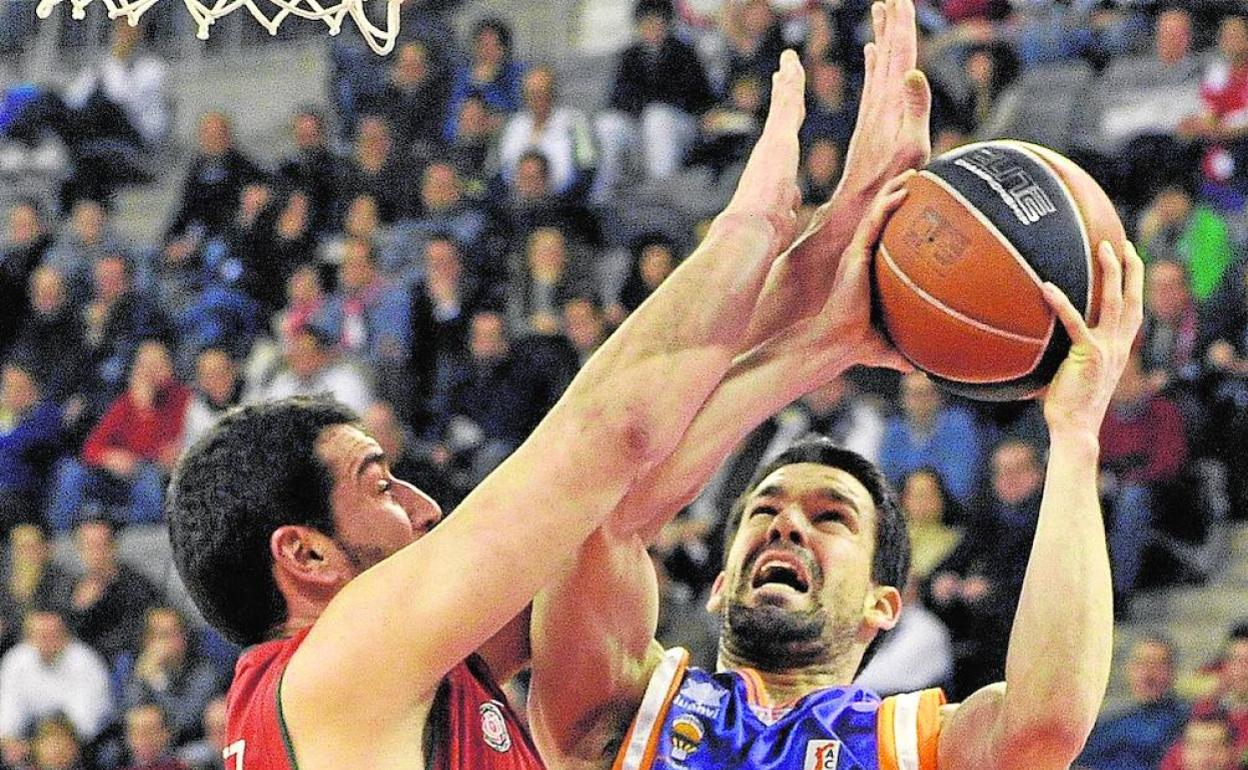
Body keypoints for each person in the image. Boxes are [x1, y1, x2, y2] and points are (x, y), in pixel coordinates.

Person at [165, 27, 927, 769]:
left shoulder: (404, 678)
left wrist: (821, 308)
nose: (426, 506)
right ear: (305, 554)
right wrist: (751, 226)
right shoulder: (335, 670)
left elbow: (612, 512)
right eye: (381, 485)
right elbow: (610, 434)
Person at [526, 10, 1142, 767]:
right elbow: (602, 501)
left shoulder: (913, 748)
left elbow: (1046, 726)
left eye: (831, 517)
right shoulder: (619, 715)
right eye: (765, 509)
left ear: (885, 605)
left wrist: (1076, 438)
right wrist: (818, 346)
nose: (787, 525)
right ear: (718, 584)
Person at [1076, 634, 1189, 770]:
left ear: (1172, 671)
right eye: (1141, 664)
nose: (1148, 675)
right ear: (1128, 669)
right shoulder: (1107, 725)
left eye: (1157, 665)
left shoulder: (1187, 722)